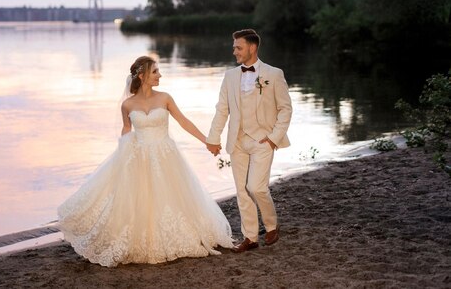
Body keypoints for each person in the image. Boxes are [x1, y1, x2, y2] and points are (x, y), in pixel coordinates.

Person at [57, 56, 233, 267]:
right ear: (142, 76)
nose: (160, 75)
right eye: (155, 72)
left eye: (158, 71)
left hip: (166, 155)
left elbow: (184, 121)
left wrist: (208, 141)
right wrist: (123, 152)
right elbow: (126, 129)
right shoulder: (128, 104)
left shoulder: (165, 98)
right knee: (140, 199)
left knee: (170, 195)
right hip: (139, 156)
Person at [206, 29, 292, 252]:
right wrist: (213, 138)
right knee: (242, 191)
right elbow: (222, 110)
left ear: (252, 48)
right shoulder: (230, 76)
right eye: (234, 47)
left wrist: (273, 138)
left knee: (256, 187)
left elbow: (285, 110)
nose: (234, 51)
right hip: (237, 140)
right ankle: (250, 237)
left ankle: (271, 224)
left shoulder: (273, 74)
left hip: (263, 140)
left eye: (238, 47)